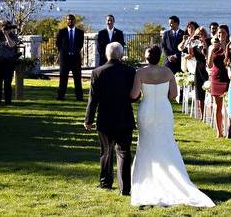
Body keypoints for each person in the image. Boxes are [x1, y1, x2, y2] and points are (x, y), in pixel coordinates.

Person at [128, 45, 214, 208]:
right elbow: (174, 95)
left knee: (146, 144)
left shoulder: (140, 72)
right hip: (163, 110)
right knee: (166, 142)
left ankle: (146, 180)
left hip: (146, 110)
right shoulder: (167, 72)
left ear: (147, 58)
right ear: (159, 56)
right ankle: (174, 179)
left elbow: (134, 95)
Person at [84, 42, 137, 195]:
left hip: (105, 118)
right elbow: (134, 96)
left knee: (106, 151)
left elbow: (93, 100)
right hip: (124, 116)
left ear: (106, 54)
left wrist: (89, 120)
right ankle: (125, 187)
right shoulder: (130, 71)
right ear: (121, 55)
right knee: (124, 152)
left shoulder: (97, 72)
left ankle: (105, 182)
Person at [207, 25, 230, 138]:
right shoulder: (213, 47)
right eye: (219, 33)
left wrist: (225, 47)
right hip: (216, 77)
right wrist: (212, 50)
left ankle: (229, 130)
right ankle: (219, 131)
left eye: (223, 33)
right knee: (217, 106)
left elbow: (229, 61)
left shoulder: (230, 45)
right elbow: (209, 64)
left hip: (228, 77)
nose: (221, 35)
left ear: (227, 34)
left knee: (228, 105)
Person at [56, 14, 84, 101]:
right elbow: (58, 44)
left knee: (77, 78)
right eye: (68, 19)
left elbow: (80, 45)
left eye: (72, 19)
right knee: (63, 78)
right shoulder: (61, 32)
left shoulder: (80, 32)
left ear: (74, 21)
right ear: (66, 21)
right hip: (65, 59)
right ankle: (61, 96)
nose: (70, 21)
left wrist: (74, 51)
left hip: (75, 58)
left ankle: (79, 97)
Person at [184, 25, 209, 119]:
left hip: (205, 68)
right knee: (199, 93)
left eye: (202, 34)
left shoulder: (208, 43)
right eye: (198, 35)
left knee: (207, 90)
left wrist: (204, 44)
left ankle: (208, 112)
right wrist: (190, 42)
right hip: (198, 68)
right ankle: (201, 114)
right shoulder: (195, 44)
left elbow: (206, 54)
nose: (200, 36)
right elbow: (191, 54)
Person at [0, 21, 19, 105]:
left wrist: (6, 34)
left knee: (7, 82)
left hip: (8, 61)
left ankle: (8, 101)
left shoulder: (13, 36)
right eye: (6, 27)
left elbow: (11, 45)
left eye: (9, 28)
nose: (8, 29)